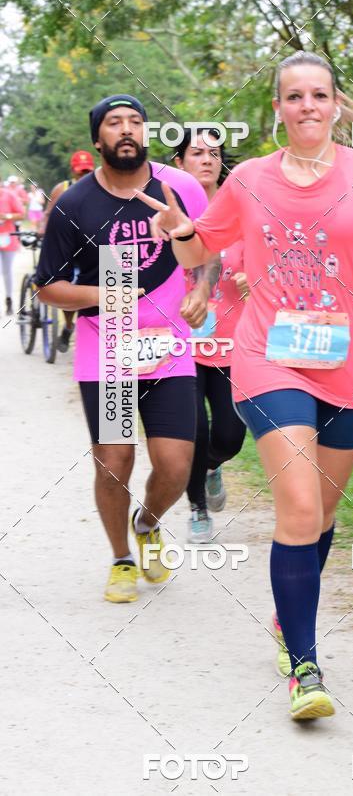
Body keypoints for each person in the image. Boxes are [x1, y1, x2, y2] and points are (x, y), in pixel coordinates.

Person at [135, 51, 353, 721]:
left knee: (323, 516)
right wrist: (182, 231)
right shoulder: (249, 179)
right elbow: (200, 250)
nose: (307, 105)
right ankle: (305, 667)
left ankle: (289, 615)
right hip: (268, 359)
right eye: (294, 96)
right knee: (301, 510)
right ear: (277, 109)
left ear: (335, 104)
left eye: (319, 94)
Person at [35, 94, 215, 604]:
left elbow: (209, 248)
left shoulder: (179, 187)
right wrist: (106, 295)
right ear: (98, 140)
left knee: (176, 465)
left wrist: (202, 289)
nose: (127, 129)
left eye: (136, 121)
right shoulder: (74, 204)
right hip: (108, 349)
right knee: (114, 462)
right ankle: (120, 559)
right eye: (114, 123)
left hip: (169, 347)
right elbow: (47, 287)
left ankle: (147, 524)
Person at [173, 127, 248, 542]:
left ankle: (212, 465)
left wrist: (256, 276)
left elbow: (268, 254)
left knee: (230, 435)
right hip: (180, 343)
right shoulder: (168, 211)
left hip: (233, 341)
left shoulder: (241, 207)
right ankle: (198, 508)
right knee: (194, 432)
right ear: (180, 162)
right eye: (196, 153)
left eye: (214, 153)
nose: (206, 160)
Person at [40, 150, 96, 352]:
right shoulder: (62, 189)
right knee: (68, 282)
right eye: (80, 172)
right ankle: (69, 326)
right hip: (68, 246)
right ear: (73, 171)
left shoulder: (101, 187)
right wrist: (43, 232)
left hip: (92, 245)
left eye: (87, 171)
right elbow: (49, 214)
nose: (84, 175)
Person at [0, 179, 26, 314]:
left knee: (6, 271)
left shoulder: (9, 195)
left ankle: (9, 299)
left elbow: (21, 214)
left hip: (7, 237)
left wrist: (7, 216)